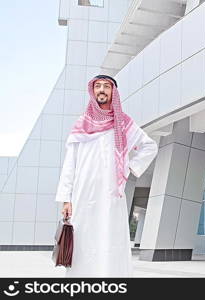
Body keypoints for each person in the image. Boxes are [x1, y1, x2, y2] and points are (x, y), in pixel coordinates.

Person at [55, 74, 158, 277]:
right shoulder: (81, 124)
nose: (101, 90)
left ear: (113, 92)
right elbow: (70, 164)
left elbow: (149, 146)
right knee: (84, 240)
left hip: (112, 194)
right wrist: (66, 198)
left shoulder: (124, 123)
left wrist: (129, 168)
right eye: (98, 86)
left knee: (110, 238)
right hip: (82, 194)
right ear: (92, 91)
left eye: (106, 86)